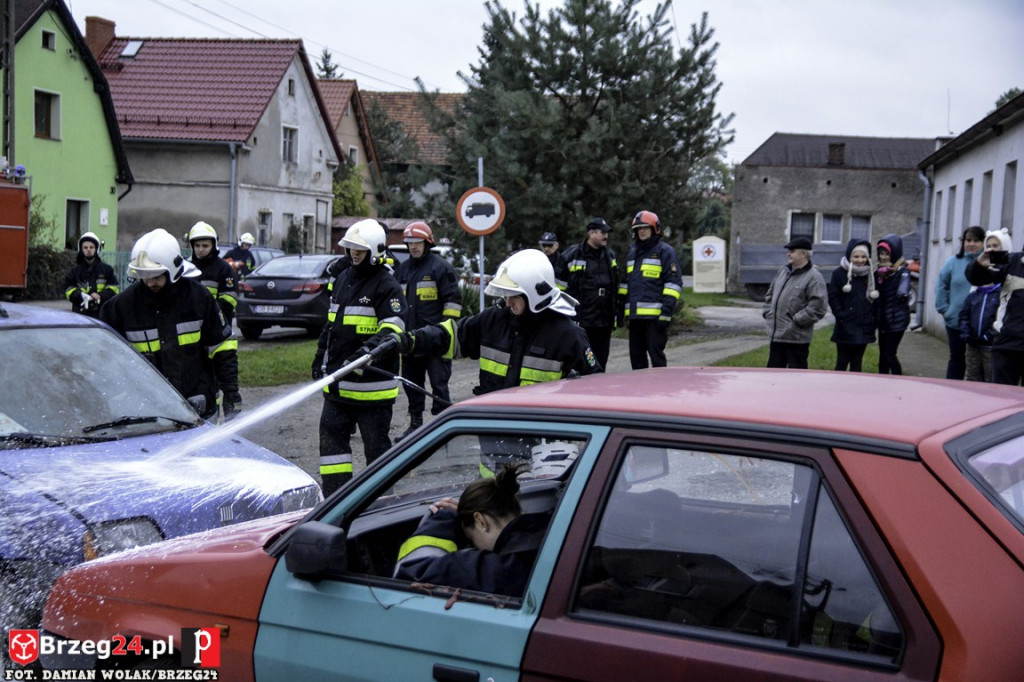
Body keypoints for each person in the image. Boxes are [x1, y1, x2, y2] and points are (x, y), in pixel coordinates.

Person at [392, 248, 599, 397]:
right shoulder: (493, 320)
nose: (507, 302)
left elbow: (595, 388)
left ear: (536, 295)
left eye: (514, 296)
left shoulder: (567, 335)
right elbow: (450, 336)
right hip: (493, 436)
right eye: (506, 295)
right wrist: (408, 341)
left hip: (546, 444)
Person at [101, 228, 241, 421]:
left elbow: (223, 347)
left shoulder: (198, 298)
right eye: (144, 276)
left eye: (156, 276)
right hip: (147, 414)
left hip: (200, 408)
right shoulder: (120, 307)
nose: (149, 283)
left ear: (173, 270)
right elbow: (105, 361)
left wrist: (231, 394)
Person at [312, 219, 407, 495]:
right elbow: (332, 325)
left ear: (375, 251)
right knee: (331, 447)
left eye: (360, 249)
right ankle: (336, 498)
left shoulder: (387, 286)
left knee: (376, 451)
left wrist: (365, 355)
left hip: (372, 391)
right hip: (338, 386)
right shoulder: (342, 279)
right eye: (351, 247)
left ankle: (381, 504)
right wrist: (320, 357)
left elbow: (393, 330)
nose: (354, 253)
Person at [393, 463, 548, 597]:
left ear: (481, 521)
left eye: (471, 538)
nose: (476, 547)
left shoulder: (506, 567)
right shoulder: (547, 530)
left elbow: (411, 574)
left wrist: (445, 518)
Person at [393, 221, 462, 439]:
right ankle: (416, 426)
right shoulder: (402, 270)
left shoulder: (440, 268)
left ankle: (446, 431)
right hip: (412, 340)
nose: (413, 247)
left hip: (435, 341)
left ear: (427, 242)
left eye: (417, 242)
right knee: (411, 383)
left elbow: (452, 303)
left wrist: (445, 332)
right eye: (410, 243)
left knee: (439, 385)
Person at [618, 210, 683, 370]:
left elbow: (673, 284)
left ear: (654, 229)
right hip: (635, 319)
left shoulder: (665, 251)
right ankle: (640, 393)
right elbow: (625, 284)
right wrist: (620, 309)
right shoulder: (632, 253)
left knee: (657, 357)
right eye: (639, 228)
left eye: (646, 227)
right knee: (636, 358)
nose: (642, 231)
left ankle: (660, 391)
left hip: (655, 319)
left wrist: (666, 313)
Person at [966, 228, 1024, 385]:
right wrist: (979, 265)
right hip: (1007, 345)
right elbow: (977, 279)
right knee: (1003, 399)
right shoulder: (1011, 260)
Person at [559, 217, 619, 369]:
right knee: (581, 358)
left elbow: (615, 285)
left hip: (604, 319)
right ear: (591, 233)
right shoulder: (572, 255)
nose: (606, 236)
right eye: (602, 232)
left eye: (607, 233)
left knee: (601, 360)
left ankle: (598, 389)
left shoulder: (610, 255)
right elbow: (558, 287)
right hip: (582, 319)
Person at [763, 236, 829, 369]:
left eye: (792, 251)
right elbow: (770, 294)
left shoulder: (814, 277)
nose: (788, 254)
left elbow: (819, 307)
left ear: (804, 254)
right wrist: (768, 312)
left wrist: (797, 321)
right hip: (777, 337)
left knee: (797, 379)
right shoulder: (783, 272)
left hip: (797, 340)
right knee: (772, 377)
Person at [935, 226, 985, 379]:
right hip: (955, 320)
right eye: (968, 240)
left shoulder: (988, 263)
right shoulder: (953, 262)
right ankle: (952, 392)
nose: (971, 244)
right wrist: (945, 310)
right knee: (957, 358)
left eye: (976, 240)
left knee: (978, 363)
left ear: (984, 242)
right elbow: (941, 284)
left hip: (979, 323)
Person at [959, 230, 1009, 382]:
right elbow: (965, 314)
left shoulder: (1003, 286)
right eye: (988, 245)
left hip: (991, 345)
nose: (991, 249)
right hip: (973, 344)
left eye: (996, 245)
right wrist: (967, 334)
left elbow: (1003, 315)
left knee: (991, 378)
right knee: (972, 376)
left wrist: (989, 334)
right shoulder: (975, 292)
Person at [827, 239, 878, 371]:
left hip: (864, 325)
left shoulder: (871, 274)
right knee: (842, 362)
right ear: (849, 256)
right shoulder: (839, 273)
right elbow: (833, 296)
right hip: (845, 325)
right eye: (856, 256)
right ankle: (839, 389)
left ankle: (855, 389)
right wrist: (841, 315)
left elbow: (876, 300)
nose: (860, 260)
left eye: (863, 257)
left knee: (857, 362)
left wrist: (872, 319)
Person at [873, 234, 913, 375]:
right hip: (883, 320)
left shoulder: (902, 272)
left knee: (890, 354)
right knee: (882, 355)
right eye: (881, 254)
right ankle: (882, 382)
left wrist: (903, 293)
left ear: (894, 254)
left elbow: (904, 288)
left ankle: (899, 380)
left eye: (887, 254)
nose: (883, 257)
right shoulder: (878, 274)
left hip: (897, 320)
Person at [186, 221, 238, 327]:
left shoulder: (224, 268)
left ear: (213, 246)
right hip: (191, 327)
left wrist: (205, 312)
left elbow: (229, 300)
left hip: (217, 327)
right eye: (197, 246)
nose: (200, 250)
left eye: (205, 246)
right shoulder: (186, 268)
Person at [63, 232, 119, 318]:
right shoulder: (75, 271)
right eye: (85, 247)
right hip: (80, 316)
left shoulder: (107, 270)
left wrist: (100, 295)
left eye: (91, 247)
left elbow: (114, 289)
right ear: (81, 249)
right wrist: (81, 295)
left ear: (96, 249)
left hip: (102, 315)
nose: (88, 250)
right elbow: (67, 289)